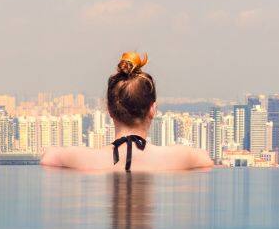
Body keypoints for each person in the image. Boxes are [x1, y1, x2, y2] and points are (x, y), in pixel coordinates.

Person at [40, 53, 214, 173]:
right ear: (152, 109)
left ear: (109, 110)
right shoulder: (176, 157)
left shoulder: (86, 158)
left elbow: (48, 157)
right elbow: (205, 159)